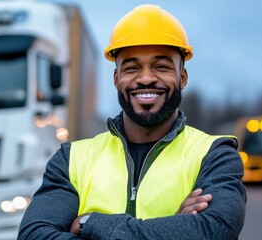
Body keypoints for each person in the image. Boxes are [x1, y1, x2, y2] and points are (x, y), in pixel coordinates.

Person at [18, 4, 246, 240]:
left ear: (183, 78)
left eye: (161, 66)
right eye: (132, 67)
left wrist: (91, 222)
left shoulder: (215, 155)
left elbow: (213, 231)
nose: (146, 78)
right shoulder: (71, 159)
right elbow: (33, 235)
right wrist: (175, 227)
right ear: (117, 79)